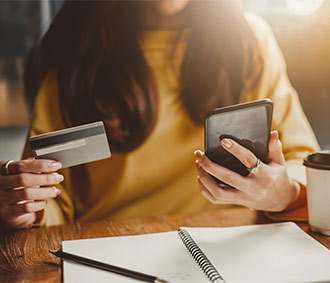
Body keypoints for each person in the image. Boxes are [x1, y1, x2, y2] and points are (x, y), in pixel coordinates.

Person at [0, 0, 319, 228]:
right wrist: (30, 208)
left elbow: (304, 163)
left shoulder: (251, 41)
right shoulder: (71, 56)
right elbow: (51, 196)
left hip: (232, 243)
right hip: (103, 248)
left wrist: (283, 194)